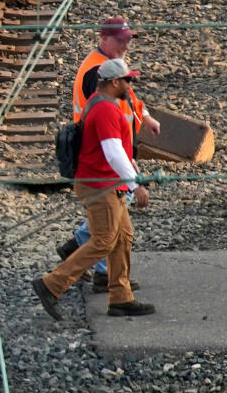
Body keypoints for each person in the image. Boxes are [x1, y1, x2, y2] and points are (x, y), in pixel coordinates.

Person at [36, 58, 155, 318]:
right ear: (114, 82)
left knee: (122, 238)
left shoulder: (100, 104)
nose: (130, 85)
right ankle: (51, 284)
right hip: (100, 185)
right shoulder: (106, 110)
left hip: (107, 182)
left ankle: (121, 298)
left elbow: (117, 151)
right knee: (103, 241)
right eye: (128, 80)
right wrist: (137, 186)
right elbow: (113, 153)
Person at [62, 17, 158, 290]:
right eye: (121, 40)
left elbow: (128, 95)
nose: (126, 45)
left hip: (114, 147)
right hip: (105, 151)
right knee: (113, 211)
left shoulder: (109, 67)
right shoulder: (96, 71)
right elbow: (107, 110)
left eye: (129, 40)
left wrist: (146, 116)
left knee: (115, 211)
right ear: (103, 39)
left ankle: (87, 256)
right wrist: (133, 179)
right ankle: (97, 268)